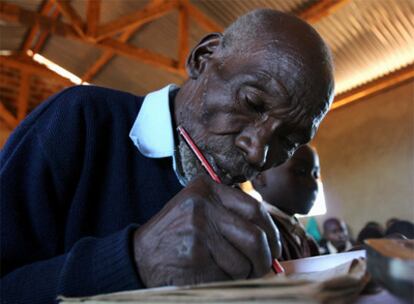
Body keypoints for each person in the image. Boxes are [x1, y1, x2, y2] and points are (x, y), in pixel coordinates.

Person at [0, 9, 334, 303]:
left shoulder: (232, 204)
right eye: (252, 103)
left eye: (289, 140)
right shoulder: (80, 120)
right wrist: (134, 260)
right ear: (202, 58)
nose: (259, 152)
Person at [251, 145, 321, 260]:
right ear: (259, 177)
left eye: (315, 174)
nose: (313, 185)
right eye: (301, 171)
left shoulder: (307, 240)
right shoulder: (259, 236)